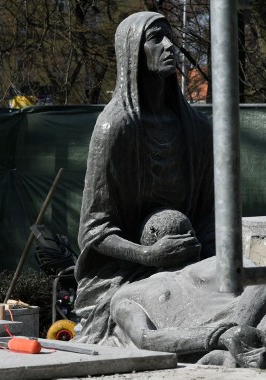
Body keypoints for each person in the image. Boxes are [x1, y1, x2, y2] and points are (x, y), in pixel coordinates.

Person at [73, 11, 216, 345]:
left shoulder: (196, 130)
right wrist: (147, 256)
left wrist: (207, 261)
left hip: (189, 265)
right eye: (156, 38)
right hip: (124, 273)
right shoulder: (115, 128)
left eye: (170, 37)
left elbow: (209, 217)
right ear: (132, 52)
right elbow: (94, 231)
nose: (169, 46)